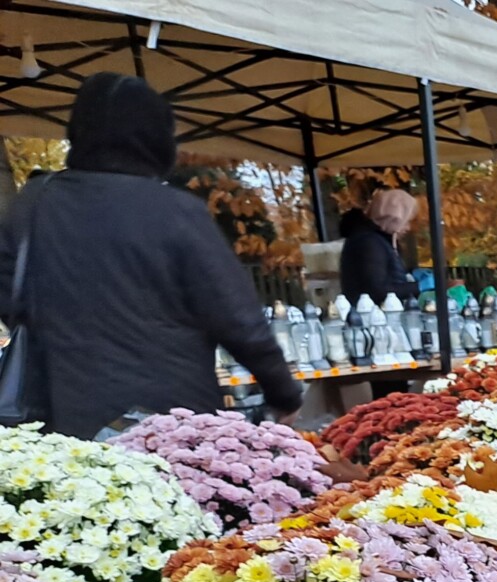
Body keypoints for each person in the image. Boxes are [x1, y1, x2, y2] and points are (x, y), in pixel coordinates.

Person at [0, 73, 300, 438]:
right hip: (172, 418)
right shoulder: (176, 212)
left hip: (64, 415)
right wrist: (282, 390)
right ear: (158, 137)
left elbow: (8, 294)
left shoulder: (33, 203)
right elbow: (236, 315)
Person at [339, 189, 419, 304]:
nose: (408, 228)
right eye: (406, 221)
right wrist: (419, 287)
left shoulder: (379, 240)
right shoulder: (369, 243)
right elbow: (377, 290)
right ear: (393, 218)